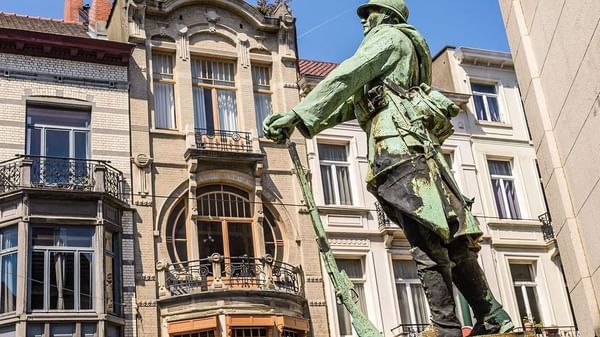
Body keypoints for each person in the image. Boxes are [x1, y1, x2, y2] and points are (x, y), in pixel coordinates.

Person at [263, 0, 515, 336]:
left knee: (425, 239)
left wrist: (296, 113)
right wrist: (305, 122)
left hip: (398, 147)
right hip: (419, 147)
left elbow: (348, 75)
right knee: (450, 238)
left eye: (372, 14)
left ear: (390, 16)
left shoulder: (388, 38)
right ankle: (493, 315)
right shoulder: (405, 55)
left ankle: (446, 326)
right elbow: (354, 104)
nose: (366, 22)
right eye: (365, 17)